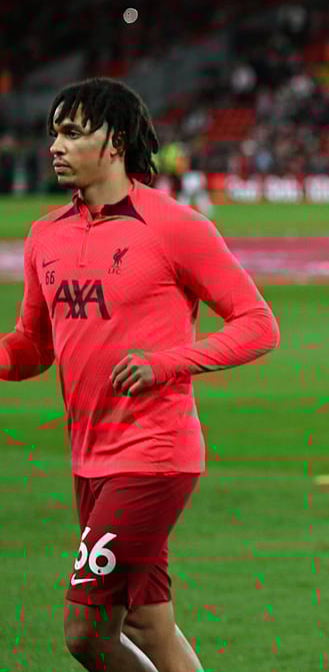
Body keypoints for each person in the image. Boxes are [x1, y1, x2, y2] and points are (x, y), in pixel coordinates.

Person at [0, 77, 281, 671]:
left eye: (72, 133)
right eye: (54, 133)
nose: (55, 146)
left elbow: (259, 325)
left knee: (86, 631)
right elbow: (31, 348)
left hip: (153, 455)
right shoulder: (45, 235)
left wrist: (166, 364)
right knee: (149, 623)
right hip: (89, 459)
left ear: (116, 142)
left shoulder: (174, 227)